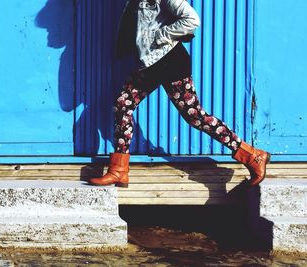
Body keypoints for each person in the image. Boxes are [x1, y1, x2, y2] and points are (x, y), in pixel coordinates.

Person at [88, 0, 270, 188]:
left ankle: (251, 155)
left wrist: (160, 35)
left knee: (195, 116)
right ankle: (119, 170)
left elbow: (192, 20)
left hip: (170, 63)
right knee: (123, 104)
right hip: (151, 64)